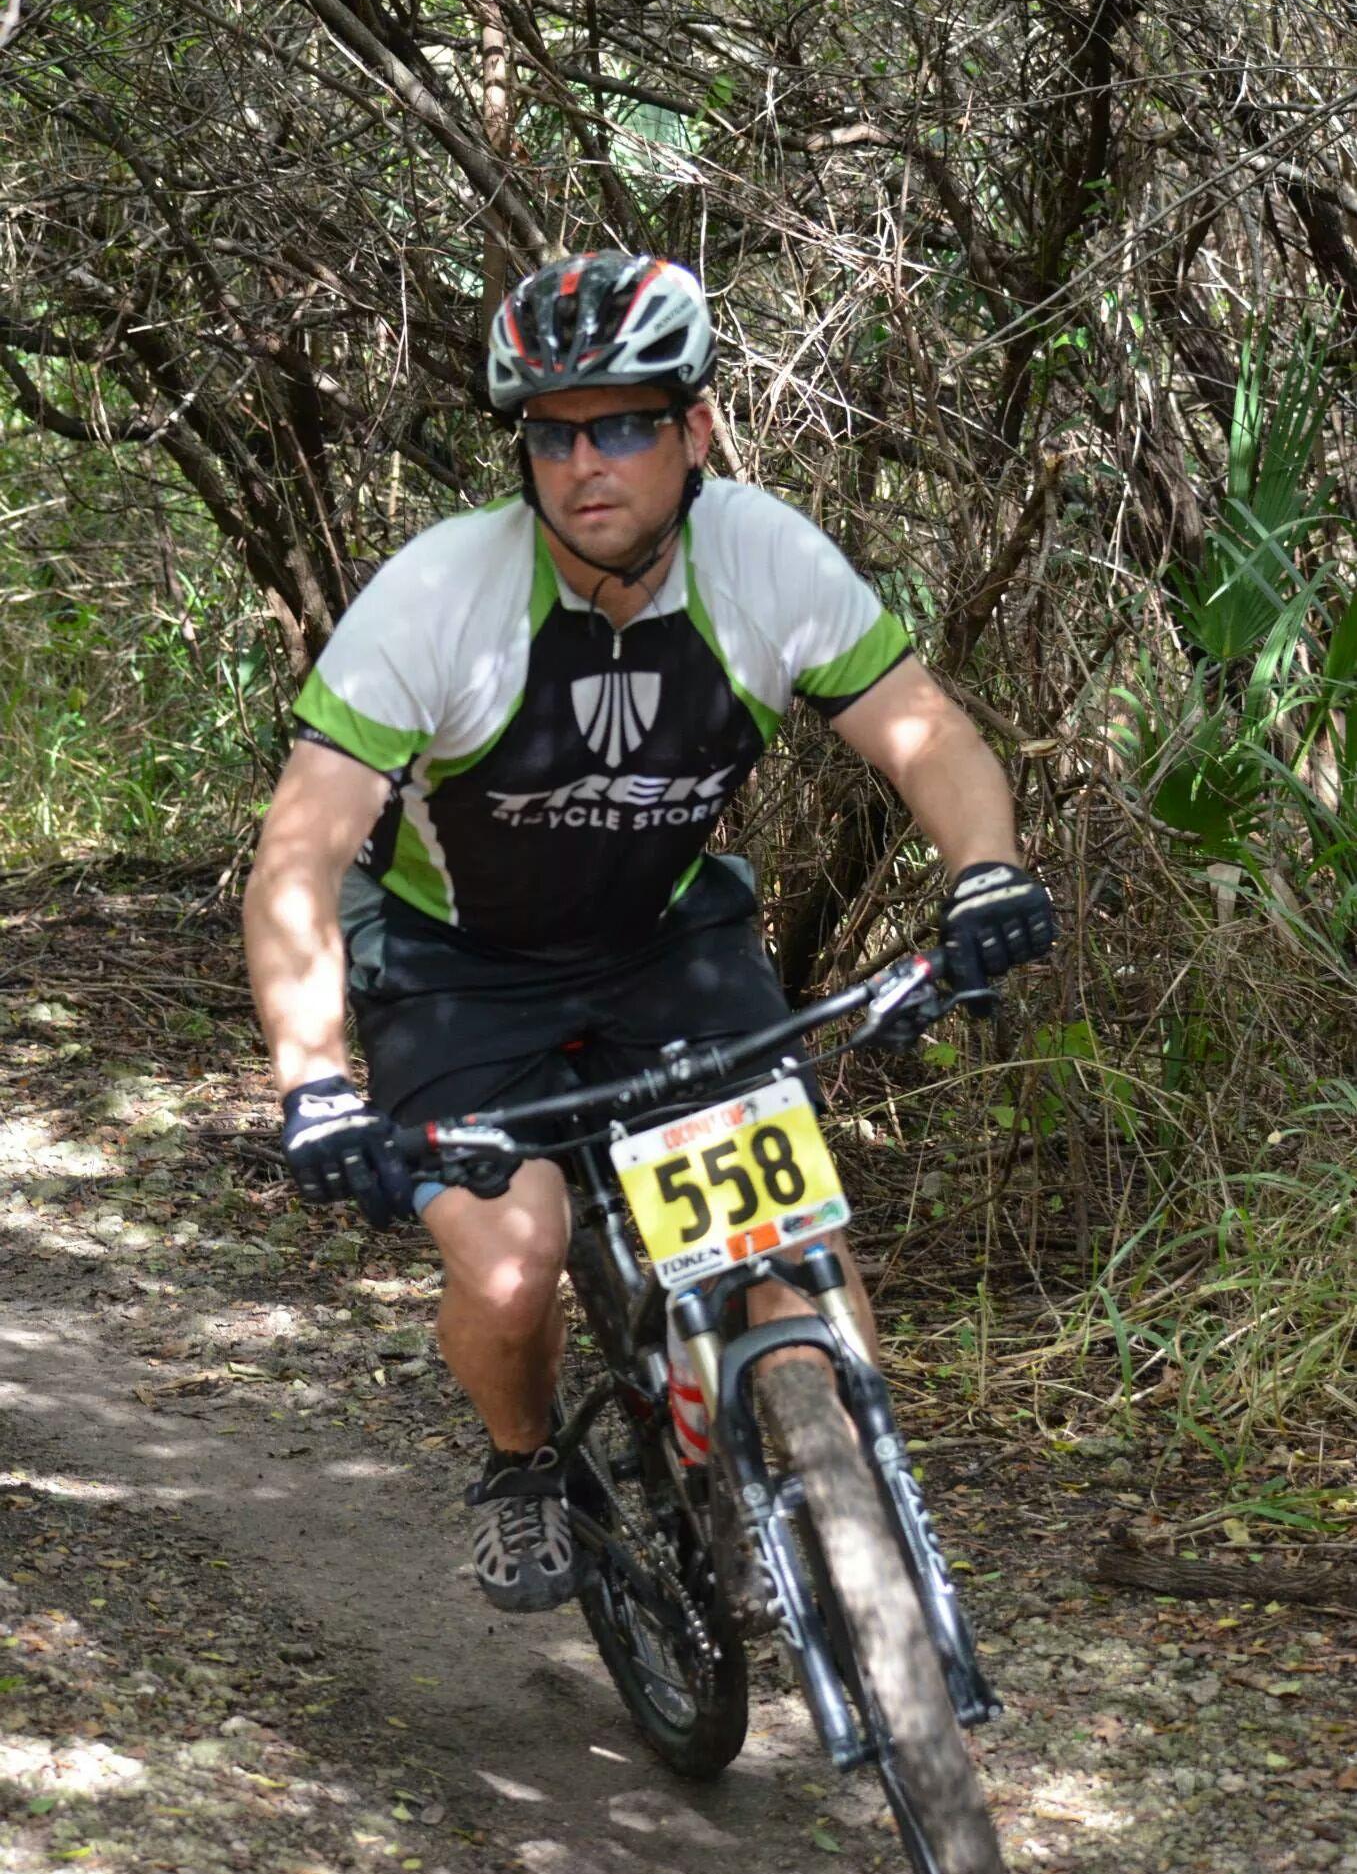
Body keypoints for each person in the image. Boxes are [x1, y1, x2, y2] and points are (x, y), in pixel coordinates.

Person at [243, 250, 1054, 1615]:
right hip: (456, 964)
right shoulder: (440, 598)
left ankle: (785, 1484)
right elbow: (299, 854)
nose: (583, 464)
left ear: (693, 431)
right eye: (551, 436)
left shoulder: (762, 557)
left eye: (622, 423)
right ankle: (520, 1468)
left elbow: (929, 739)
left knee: (797, 1273)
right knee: (512, 1267)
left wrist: (983, 872)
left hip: (663, 938)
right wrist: (313, 1083)